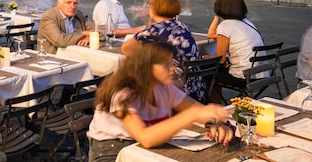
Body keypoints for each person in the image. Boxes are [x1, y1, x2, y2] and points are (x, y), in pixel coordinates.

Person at [87, 39, 233, 161]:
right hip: (113, 151)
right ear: (146, 66)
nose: (172, 69)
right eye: (165, 64)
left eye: (172, 62)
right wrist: (191, 116)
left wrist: (214, 123)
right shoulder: (123, 94)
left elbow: (198, 109)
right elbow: (146, 138)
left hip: (145, 149)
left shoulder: (163, 88)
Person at [122, 0, 206, 103]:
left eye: (150, 5)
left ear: (154, 8)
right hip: (196, 86)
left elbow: (127, 50)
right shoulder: (181, 25)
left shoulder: (154, 30)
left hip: (176, 89)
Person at [206, 0, 264, 103]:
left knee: (207, 73)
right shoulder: (247, 22)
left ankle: (215, 107)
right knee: (216, 71)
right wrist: (218, 15)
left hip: (243, 77)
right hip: (261, 73)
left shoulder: (226, 26)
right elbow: (212, 34)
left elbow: (220, 59)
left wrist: (203, 57)